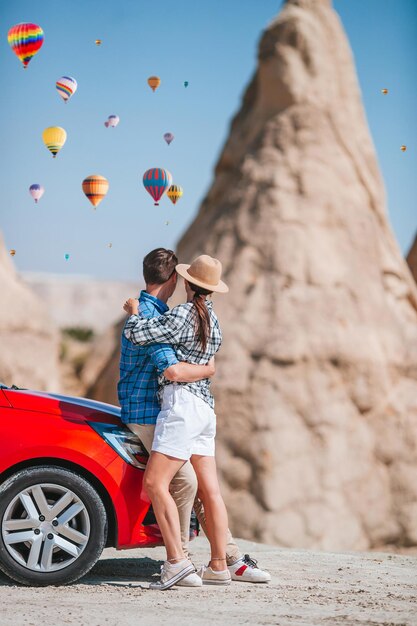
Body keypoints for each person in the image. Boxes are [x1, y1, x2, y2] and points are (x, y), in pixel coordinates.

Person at [120, 249, 270, 587]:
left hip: (182, 407)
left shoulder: (177, 315)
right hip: (205, 409)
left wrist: (132, 315)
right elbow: (206, 364)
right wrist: (208, 369)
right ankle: (220, 564)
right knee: (210, 490)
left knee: (157, 483)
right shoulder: (213, 320)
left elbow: (163, 361)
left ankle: (179, 562)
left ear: (185, 282)